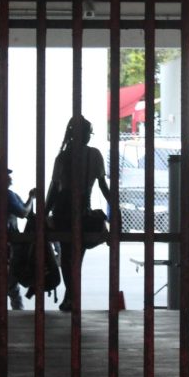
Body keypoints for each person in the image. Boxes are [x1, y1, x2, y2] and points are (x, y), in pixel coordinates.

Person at [45, 115, 113, 312]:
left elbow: (54, 190)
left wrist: (44, 213)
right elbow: (102, 185)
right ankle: (71, 297)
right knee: (77, 258)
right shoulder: (94, 155)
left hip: (62, 213)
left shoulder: (63, 157)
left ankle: (71, 297)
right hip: (83, 213)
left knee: (67, 258)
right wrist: (114, 209)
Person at [0, 158, 33, 310]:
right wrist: (31, 197)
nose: (10, 177)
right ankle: (11, 315)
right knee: (10, 282)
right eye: (7, 174)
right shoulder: (6, 194)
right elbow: (23, 212)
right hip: (4, 245)